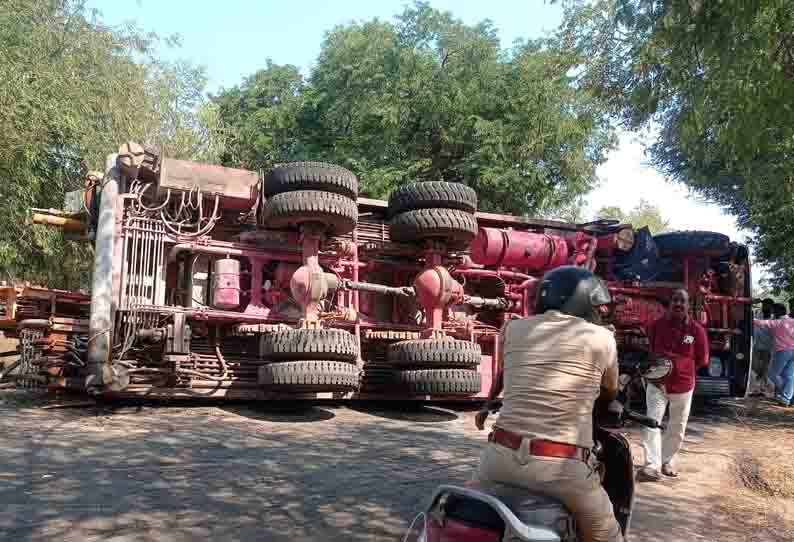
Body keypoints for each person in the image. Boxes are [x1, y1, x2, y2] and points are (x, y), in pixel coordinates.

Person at [473, 266, 623, 542]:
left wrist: (489, 402)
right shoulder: (603, 339)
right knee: (608, 535)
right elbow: (609, 393)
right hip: (561, 470)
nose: (599, 313)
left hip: (497, 461)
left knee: (464, 517)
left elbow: (505, 373)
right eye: (596, 306)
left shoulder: (514, 328)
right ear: (582, 301)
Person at [639, 288, 709, 482]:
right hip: (657, 383)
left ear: (688, 306)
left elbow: (703, 360)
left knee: (677, 426)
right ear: (669, 304)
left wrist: (680, 365)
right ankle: (651, 465)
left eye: (682, 301)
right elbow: (651, 349)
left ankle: (666, 460)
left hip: (684, 385)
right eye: (675, 300)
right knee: (651, 421)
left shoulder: (697, 331)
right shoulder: (655, 326)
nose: (678, 304)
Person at [754, 302, 794, 407]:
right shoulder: (792, 321)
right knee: (788, 375)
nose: (772, 313)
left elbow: (760, 323)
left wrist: (749, 317)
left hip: (782, 352)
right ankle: (786, 398)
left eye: (773, 311)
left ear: (778, 312)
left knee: (772, 374)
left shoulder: (776, 323)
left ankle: (787, 392)